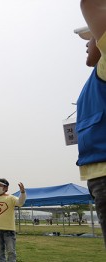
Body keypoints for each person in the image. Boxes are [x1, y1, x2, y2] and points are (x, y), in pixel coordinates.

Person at [75, 0, 106, 249]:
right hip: (97, 176)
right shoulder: (96, 76)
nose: (87, 44)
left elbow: (92, 4)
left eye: (90, 36)